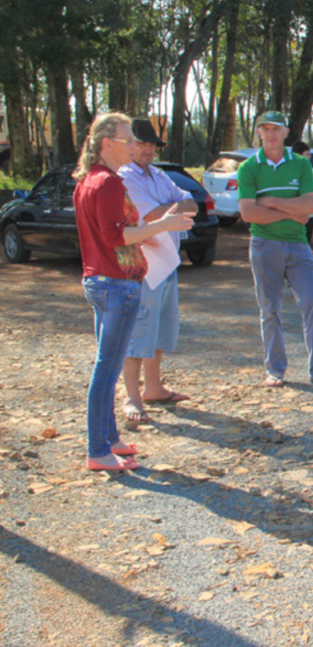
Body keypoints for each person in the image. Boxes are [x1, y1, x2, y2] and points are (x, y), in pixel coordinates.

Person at [73, 112, 194, 470]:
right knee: (107, 371)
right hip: (116, 283)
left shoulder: (89, 180)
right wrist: (164, 224)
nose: (133, 146)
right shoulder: (108, 182)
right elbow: (116, 236)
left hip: (99, 280)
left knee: (107, 367)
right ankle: (98, 450)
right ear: (107, 143)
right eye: (127, 139)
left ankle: (109, 439)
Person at [237, 110, 313, 387]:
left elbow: (309, 208)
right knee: (270, 309)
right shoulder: (248, 168)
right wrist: (290, 210)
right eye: (266, 129)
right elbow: (249, 214)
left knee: (312, 302)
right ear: (259, 133)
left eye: (277, 128)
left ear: (286, 132)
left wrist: (270, 201)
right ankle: (275, 370)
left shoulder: (300, 164)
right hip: (263, 245)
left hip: (298, 246)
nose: (271, 133)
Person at [118, 118, 198, 424]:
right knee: (139, 329)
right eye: (141, 143)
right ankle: (131, 396)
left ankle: (153, 387)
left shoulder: (159, 175)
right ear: (130, 145)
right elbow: (150, 215)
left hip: (166, 259)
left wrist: (168, 209)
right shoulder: (126, 176)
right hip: (141, 262)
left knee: (162, 326)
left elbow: (191, 204)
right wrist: (170, 208)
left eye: (152, 144)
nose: (148, 149)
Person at [290, 141, 313, 244]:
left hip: (309, 214)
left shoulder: (311, 170)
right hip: (293, 214)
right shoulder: (287, 171)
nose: (310, 156)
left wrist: (307, 195)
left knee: (306, 245)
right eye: (307, 154)